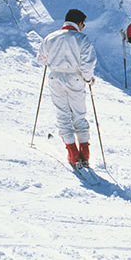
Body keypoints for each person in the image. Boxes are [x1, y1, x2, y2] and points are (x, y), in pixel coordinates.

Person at [36, 9, 96, 169]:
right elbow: (88, 63)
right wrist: (88, 79)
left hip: (56, 78)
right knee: (79, 115)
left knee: (63, 115)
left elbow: (41, 60)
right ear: (80, 23)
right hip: (75, 78)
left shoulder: (50, 37)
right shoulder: (82, 39)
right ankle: (85, 153)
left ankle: (73, 154)